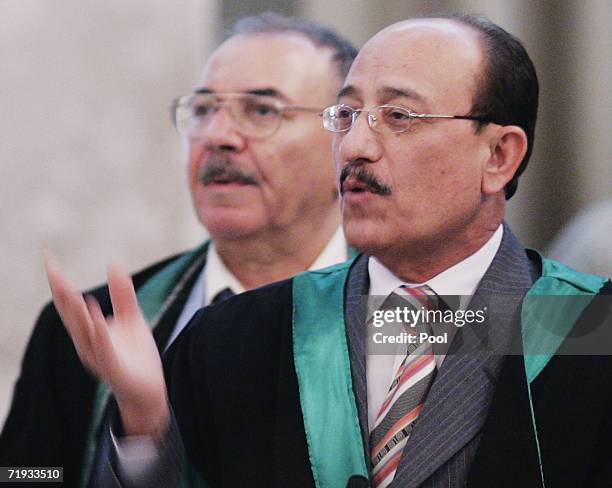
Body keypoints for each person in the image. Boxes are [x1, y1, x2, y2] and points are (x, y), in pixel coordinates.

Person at [46, 13, 612, 488]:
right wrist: (146, 419)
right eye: (345, 115)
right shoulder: (236, 337)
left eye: (399, 116)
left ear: (499, 157)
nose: (356, 146)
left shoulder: (587, 330)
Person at [0, 13, 357, 487]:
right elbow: (26, 475)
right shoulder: (94, 329)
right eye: (205, 110)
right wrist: (142, 433)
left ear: (345, 139)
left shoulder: (417, 312)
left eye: (262, 110)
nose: (217, 136)